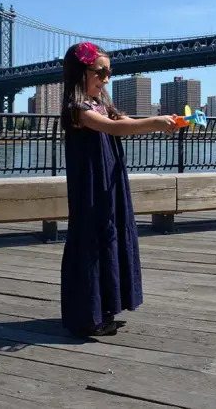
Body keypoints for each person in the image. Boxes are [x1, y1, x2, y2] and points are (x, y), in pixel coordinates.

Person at [60, 42, 177, 337]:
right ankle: (88, 316)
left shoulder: (102, 106)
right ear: (80, 72)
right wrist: (155, 123)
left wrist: (168, 121)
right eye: (101, 72)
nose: (106, 79)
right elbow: (115, 129)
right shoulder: (78, 110)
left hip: (109, 182)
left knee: (112, 234)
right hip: (90, 186)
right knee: (91, 239)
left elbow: (124, 122)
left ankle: (106, 307)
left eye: (109, 73)